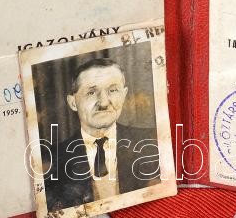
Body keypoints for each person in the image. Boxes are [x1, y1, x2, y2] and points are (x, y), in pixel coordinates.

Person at [45, 57, 160, 210]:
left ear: (124, 94)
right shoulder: (53, 159)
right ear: (73, 102)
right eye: (91, 92)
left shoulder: (152, 143)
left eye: (113, 90)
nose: (104, 102)